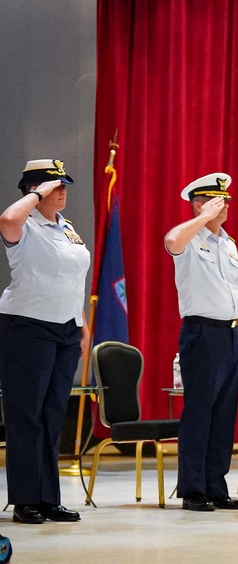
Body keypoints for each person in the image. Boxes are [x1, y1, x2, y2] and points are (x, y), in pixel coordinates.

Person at [0, 159, 89, 524]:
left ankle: (49, 498)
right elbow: (6, 221)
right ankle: (25, 499)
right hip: (28, 327)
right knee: (27, 415)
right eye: (55, 185)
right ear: (35, 190)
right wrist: (37, 194)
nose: (63, 190)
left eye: (64, 184)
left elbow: (72, 279)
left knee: (53, 415)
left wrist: (81, 325)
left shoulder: (67, 229)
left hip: (65, 329)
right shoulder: (25, 225)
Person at [164, 172, 238, 512]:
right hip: (202, 333)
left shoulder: (228, 244)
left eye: (225, 199)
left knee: (225, 413)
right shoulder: (189, 238)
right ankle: (193, 489)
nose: (224, 204)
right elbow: (170, 241)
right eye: (216, 199)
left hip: (230, 333)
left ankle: (216, 484)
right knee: (199, 412)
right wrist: (201, 219)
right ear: (199, 203)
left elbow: (235, 288)